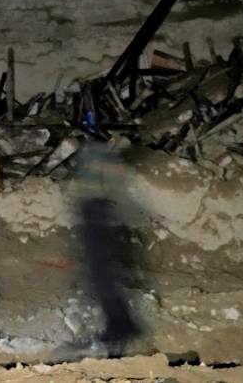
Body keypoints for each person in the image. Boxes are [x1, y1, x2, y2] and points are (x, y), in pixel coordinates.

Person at [67, 138, 143, 355]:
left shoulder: (98, 152)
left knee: (103, 276)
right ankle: (121, 326)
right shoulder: (96, 152)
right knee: (100, 276)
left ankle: (122, 328)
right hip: (95, 213)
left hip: (97, 214)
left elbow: (118, 172)